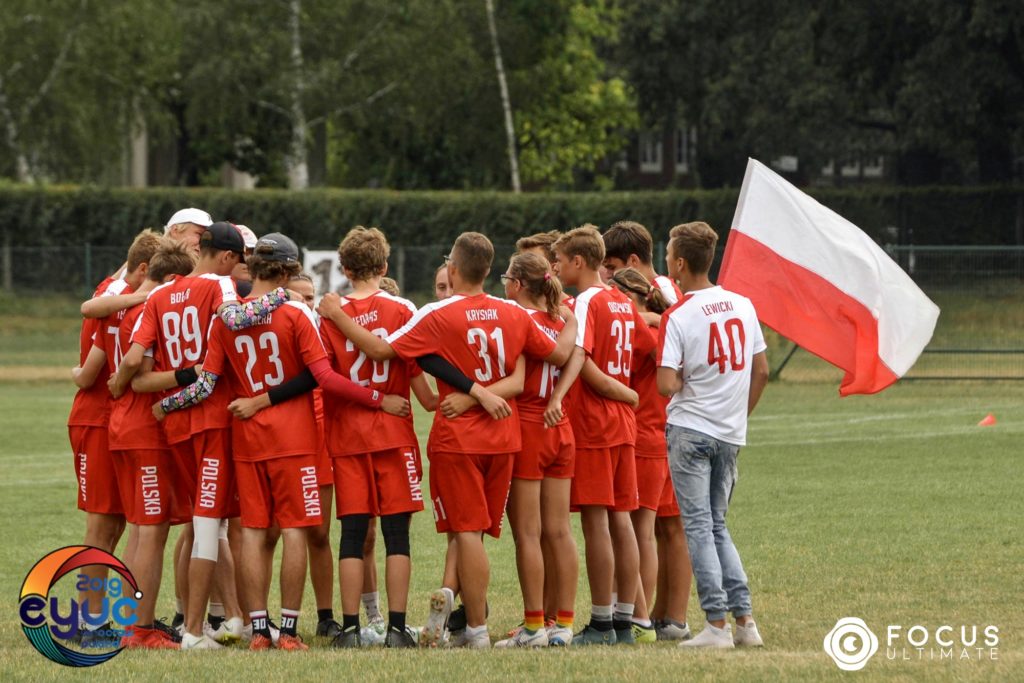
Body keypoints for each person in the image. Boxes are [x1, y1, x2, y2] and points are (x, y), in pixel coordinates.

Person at [318, 231, 576, 649]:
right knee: (500, 532)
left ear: (453, 270)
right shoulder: (513, 313)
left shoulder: (438, 314)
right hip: (505, 437)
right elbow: (555, 357)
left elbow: (385, 352)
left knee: (466, 532)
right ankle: (535, 621)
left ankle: (474, 628)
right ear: (490, 271)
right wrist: (573, 319)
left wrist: (338, 314)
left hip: (459, 439)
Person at [156, 232, 409, 652]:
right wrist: (379, 399)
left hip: (247, 440)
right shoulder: (295, 313)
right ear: (290, 271)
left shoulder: (226, 317)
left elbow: (205, 384)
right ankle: (288, 631)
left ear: (251, 267)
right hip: (294, 438)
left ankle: (260, 631)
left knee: (253, 533)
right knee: (295, 530)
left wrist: (168, 403)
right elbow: (323, 377)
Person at [111, 222, 292, 650]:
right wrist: (285, 295)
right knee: (209, 527)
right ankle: (193, 630)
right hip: (211, 419)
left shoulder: (157, 296)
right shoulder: (220, 287)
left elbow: (139, 373)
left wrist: (164, 396)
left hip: (176, 428)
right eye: (240, 260)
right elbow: (237, 317)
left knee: (200, 525)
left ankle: (217, 620)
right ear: (228, 257)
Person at [656, 221, 770, 649]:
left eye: (668, 257)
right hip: (729, 432)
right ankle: (745, 622)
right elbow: (761, 370)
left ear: (680, 264)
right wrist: (737, 416)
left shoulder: (678, 315)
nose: (666, 263)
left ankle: (716, 625)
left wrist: (688, 375)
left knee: (699, 527)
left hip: (690, 430)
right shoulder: (743, 304)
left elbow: (666, 384)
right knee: (718, 525)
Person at [552, 225, 656, 646]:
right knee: (622, 519)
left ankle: (601, 622)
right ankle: (624, 618)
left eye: (560, 261)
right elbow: (648, 340)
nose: (556, 268)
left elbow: (582, 357)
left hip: (595, 422)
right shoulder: (619, 298)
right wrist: (627, 389)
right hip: (624, 425)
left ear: (579, 262)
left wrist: (602, 388)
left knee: (597, 520)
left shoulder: (590, 300)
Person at [492, 252, 583, 648]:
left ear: (516, 284)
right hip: (560, 426)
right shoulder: (561, 319)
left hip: (529, 424)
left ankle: (533, 627)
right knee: (560, 531)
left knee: (528, 534)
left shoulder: (516, 317)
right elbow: (573, 353)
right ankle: (562, 623)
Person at [608, 267, 693, 642]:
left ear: (635, 297)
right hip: (652, 437)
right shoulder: (654, 326)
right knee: (639, 529)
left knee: (639, 530)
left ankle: (638, 616)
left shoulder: (647, 331)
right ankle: (629, 609)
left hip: (645, 437)